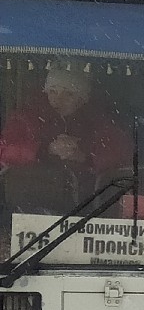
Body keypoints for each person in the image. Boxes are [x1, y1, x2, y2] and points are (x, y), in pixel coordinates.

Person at [0, 62, 133, 206]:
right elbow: (5, 150)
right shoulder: (25, 119)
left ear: (82, 99)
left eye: (68, 94)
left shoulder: (99, 121)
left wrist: (84, 156)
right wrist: (46, 149)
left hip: (86, 210)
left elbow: (123, 156)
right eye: (53, 91)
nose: (58, 100)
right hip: (27, 206)